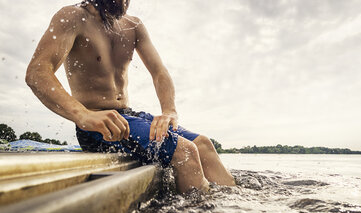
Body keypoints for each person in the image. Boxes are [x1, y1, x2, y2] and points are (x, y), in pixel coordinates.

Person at [25, 0, 235, 193]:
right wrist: (83, 115)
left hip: (131, 117)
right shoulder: (73, 16)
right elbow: (37, 72)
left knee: (204, 145)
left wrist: (169, 110)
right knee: (185, 151)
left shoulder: (133, 25)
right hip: (99, 126)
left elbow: (159, 72)